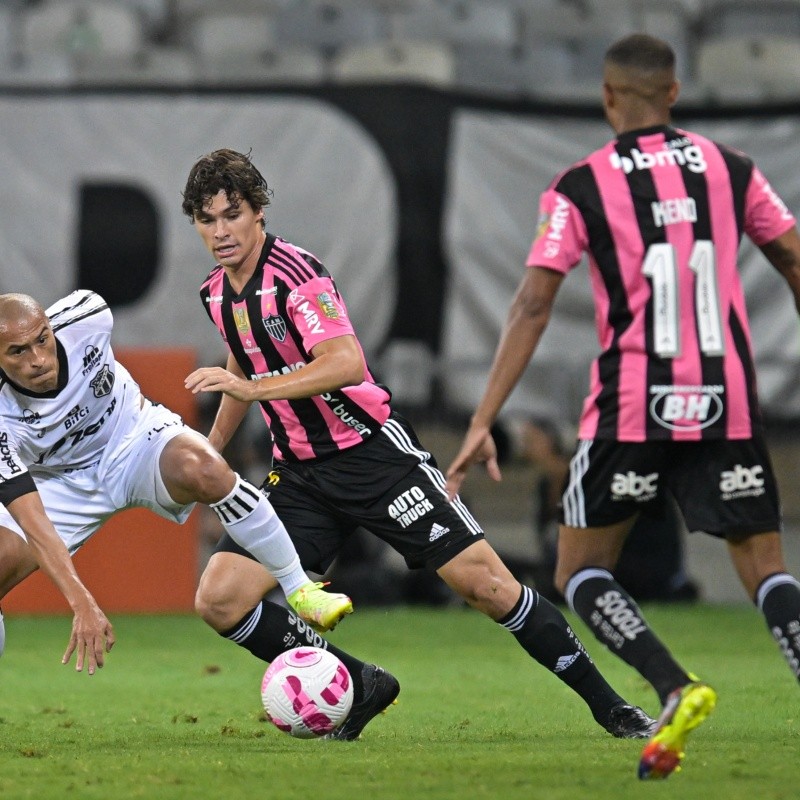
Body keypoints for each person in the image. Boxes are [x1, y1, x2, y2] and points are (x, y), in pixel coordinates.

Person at [181, 147, 656, 743]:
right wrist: (209, 450)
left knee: (487, 586)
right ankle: (362, 682)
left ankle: (611, 707)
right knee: (220, 599)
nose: (220, 231)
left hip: (375, 459)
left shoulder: (296, 275)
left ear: (259, 213)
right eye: (207, 219)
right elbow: (242, 362)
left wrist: (251, 390)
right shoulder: (217, 293)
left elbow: (345, 361)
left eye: (232, 214)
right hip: (299, 476)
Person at [445, 33, 800, 780]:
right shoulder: (733, 171)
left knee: (580, 569)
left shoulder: (579, 187)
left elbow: (535, 302)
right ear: (673, 94)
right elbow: (794, 257)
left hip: (633, 405)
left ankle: (672, 685)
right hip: (726, 398)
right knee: (765, 566)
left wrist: (483, 418)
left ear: (607, 97)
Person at [0, 289, 356, 677]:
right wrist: (81, 601)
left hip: (133, 439)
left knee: (206, 469)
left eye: (42, 340)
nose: (37, 359)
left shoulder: (88, 315)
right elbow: (34, 522)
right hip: (60, 482)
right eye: (17, 352)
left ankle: (299, 588)